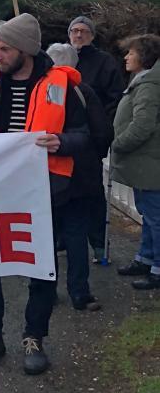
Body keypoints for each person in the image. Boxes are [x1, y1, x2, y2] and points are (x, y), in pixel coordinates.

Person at [0, 13, 88, 375]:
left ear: (26, 51)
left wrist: (61, 141)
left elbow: (88, 136)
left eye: (3, 49)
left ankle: (34, 336)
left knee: (42, 267)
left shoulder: (62, 86)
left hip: (42, 191)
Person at [46, 43, 111, 311]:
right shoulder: (84, 91)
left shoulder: (44, 92)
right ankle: (80, 292)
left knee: (48, 235)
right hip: (82, 173)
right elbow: (102, 132)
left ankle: (47, 291)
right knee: (76, 233)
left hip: (49, 173)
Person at [67, 15, 125, 262]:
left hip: (91, 140)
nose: (78, 35)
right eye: (74, 31)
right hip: (64, 141)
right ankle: (64, 240)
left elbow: (115, 98)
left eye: (83, 31)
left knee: (93, 195)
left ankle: (99, 244)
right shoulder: (60, 59)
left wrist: (102, 127)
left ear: (91, 35)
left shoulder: (104, 62)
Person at [113, 34, 160, 291]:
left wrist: (118, 143)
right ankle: (146, 258)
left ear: (144, 55)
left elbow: (143, 125)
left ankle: (157, 268)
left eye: (131, 52)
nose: (126, 57)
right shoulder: (144, 81)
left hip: (150, 164)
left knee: (155, 217)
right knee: (148, 213)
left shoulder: (150, 85)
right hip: (145, 163)